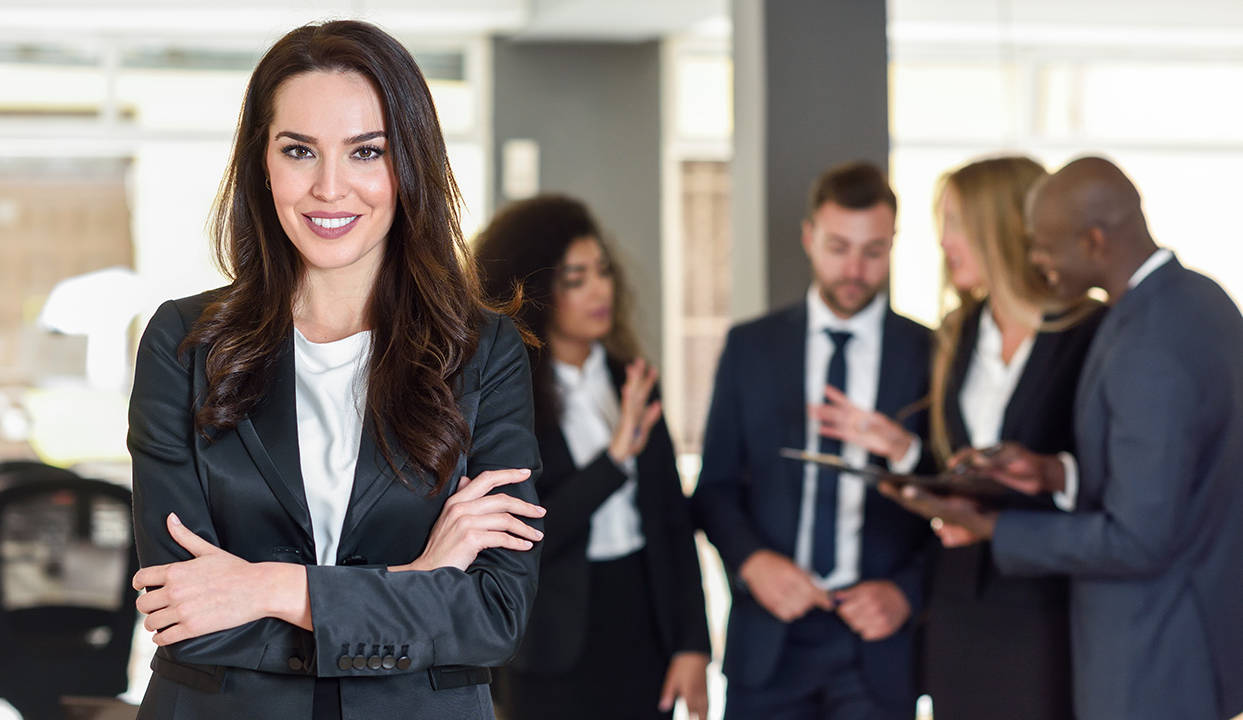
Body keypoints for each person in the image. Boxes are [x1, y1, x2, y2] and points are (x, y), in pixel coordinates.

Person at [126, 20, 544, 720]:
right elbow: (185, 613)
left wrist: (268, 588)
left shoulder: (484, 353)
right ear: (262, 162)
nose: (329, 187)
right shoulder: (184, 342)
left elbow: (493, 614)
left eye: (365, 152)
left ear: (408, 163)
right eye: (299, 150)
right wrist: (419, 580)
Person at [899, 157, 1243, 720]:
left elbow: (1138, 540)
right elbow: (1173, 472)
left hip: (1150, 652)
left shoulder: (1145, 343)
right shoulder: (1199, 301)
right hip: (1190, 637)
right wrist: (1054, 473)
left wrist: (991, 526)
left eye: (1044, 246)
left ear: (1094, 241)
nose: (1036, 260)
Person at [820, 156, 1105, 720]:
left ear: (1001, 229)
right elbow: (959, 468)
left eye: (955, 225)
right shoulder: (956, 333)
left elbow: (1102, 477)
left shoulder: (1087, 331)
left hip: (1048, 609)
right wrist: (902, 452)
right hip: (958, 612)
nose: (945, 244)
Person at [693, 161, 933, 720]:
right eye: (838, 247)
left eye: (873, 251)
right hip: (770, 640)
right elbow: (715, 488)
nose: (854, 268)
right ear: (808, 238)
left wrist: (906, 593)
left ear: (894, 244)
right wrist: (753, 563)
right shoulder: (750, 348)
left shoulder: (931, 353)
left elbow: (953, 500)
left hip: (878, 644)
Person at [473, 195, 712, 720]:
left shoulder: (635, 382)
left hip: (644, 626)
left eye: (602, 271)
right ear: (536, 289)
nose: (600, 289)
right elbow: (522, 533)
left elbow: (674, 523)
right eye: (575, 278)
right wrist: (614, 460)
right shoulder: (508, 398)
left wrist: (693, 642)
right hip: (550, 642)